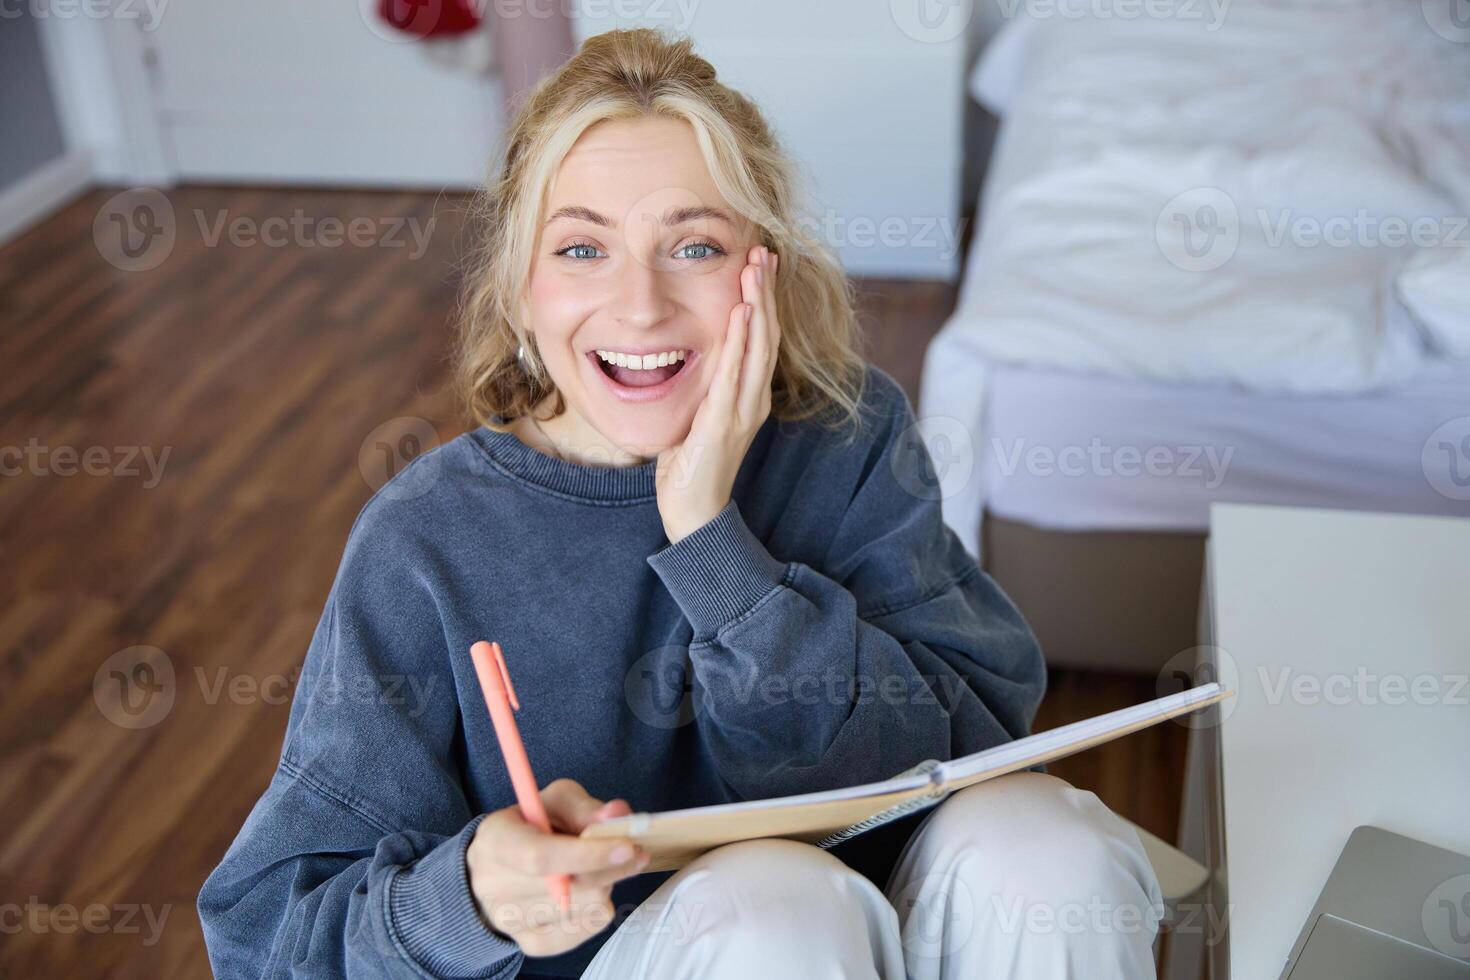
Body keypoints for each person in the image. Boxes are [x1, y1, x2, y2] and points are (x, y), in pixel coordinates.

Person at [198, 27, 1163, 980]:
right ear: (519, 290)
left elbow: (975, 743)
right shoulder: (426, 540)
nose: (643, 306)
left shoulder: (847, 434)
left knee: (1048, 851)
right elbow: (269, 937)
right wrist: (469, 902)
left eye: (693, 245)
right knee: (773, 905)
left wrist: (713, 545)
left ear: (764, 265)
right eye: (582, 249)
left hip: (893, 931)